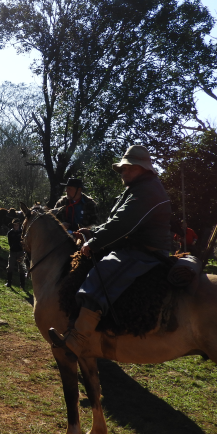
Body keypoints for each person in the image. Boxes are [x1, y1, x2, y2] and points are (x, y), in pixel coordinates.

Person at [49, 145, 171, 358]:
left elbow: (123, 224)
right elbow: (116, 222)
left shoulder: (147, 190)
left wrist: (94, 242)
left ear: (144, 169)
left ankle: (78, 338)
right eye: (122, 169)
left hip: (144, 251)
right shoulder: (137, 188)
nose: (124, 172)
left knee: (101, 274)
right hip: (133, 246)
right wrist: (93, 231)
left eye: (129, 168)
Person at [5, 217, 27, 289]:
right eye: (14, 225)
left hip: (21, 252)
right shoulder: (10, 233)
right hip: (13, 251)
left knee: (21, 268)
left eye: (17, 225)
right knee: (10, 267)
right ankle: (9, 282)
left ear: (19, 225)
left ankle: (22, 285)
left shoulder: (22, 232)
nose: (16, 226)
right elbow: (9, 243)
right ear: (13, 225)